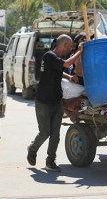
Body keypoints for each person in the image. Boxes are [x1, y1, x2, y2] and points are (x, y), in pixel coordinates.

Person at [27, 34, 82, 172]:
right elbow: (67, 64)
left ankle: (50, 161)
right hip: (43, 102)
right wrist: (80, 51)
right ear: (64, 45)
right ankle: (33, 148)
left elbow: (59, 69)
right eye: (69, 47)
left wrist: (69, 76)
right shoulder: (49, 56)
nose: (69, 50)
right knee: (45, 132)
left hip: (56, 101)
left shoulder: (54, 59)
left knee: (55, 134)